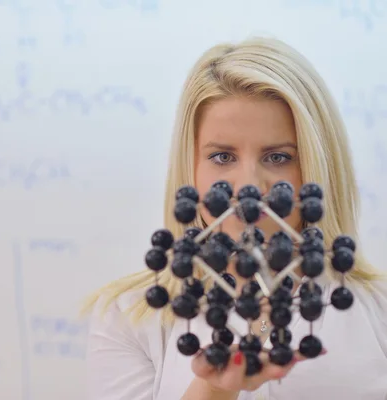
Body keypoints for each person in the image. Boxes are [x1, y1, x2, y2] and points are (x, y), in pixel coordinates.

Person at [82, 36, 387, 400]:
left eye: (277, 157)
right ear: (190, 168)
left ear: (316, 165)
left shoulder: (377, 310)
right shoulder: (130, 315)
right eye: (223, 157)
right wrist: (215, 388)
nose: (249, 187)